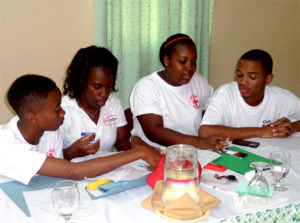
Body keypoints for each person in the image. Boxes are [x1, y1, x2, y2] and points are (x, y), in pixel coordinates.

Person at [0, 75, 160, 185]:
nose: (63, 113)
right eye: (57, 110)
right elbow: (73, 171)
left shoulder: (49, 129)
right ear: (32, 116)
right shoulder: (7, 147)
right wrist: (140, 152)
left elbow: (59, 171)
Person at [130, 33, 228, 152]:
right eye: (182, 61)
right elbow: (154, 131)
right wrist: (199, 142)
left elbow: (216, 110)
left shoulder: (199, 82)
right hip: (157, 153)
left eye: (193, 62)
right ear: (167, 60)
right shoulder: (147, 86)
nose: (190, 68)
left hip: (195, 152)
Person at [199, 49, 300, 140]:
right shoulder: (226, 94)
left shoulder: (283, 97)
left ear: (268, 79)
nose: (243, 82)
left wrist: (292, 127)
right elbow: (205, 132)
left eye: (252, 77)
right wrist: (260, 131)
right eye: (239, 75)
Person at [61, 46, 136, 161]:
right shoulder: (63, 110)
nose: (104, 93)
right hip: (74, 172)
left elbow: (122, 141)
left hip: (109, 169)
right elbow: (48, 156)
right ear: (81, 81)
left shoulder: (113, 103)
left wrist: (140, 148)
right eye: (97, 87)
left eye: (109, 86)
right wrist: (71, 152)